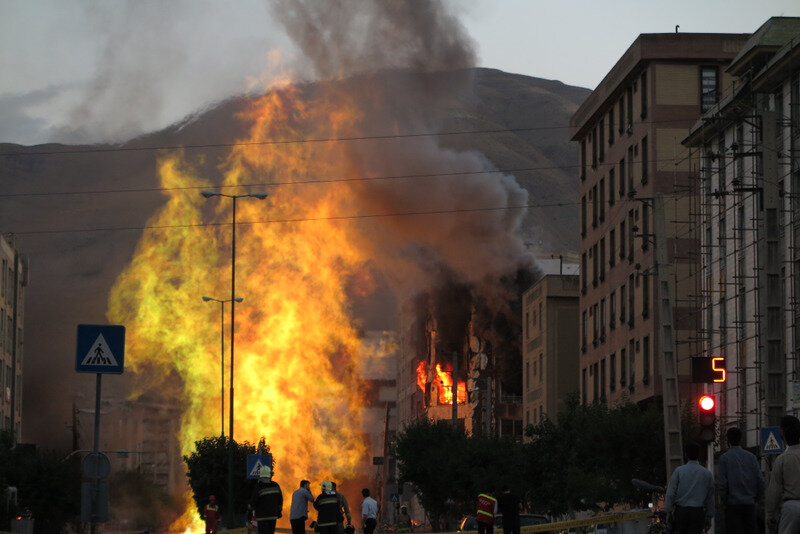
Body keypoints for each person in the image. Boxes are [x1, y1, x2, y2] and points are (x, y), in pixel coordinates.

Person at [717, 427, 764, 534]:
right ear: (741, 439)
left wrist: (724, 500)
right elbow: (760, 480)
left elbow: (722, 484)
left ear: (727, 440)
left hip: (732, 505)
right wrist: (756, 499)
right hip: (749, 505)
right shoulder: (751, 457)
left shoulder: (724, 458)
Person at [664, 442, 715, 534]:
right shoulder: (706, 474)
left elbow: (670, 493)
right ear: (698, 455)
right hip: (698, 513)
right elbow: (710, 497)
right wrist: (709, 516)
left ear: (686, 455)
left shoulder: (679, 471)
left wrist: (668, 511)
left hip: (681, 512)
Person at [767, 420, 800, 533]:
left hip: (791, 508)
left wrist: (770, 514)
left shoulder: (782, 459)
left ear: (783, 435)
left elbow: (774, 490)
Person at [249, 466, 283, 534]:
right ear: (270, 475)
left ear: (260, 476)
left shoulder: (259, 486)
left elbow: (253, 501)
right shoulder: (275, 485)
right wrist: (278, 511)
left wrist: (250, 507)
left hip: (262, 517)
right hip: (273, 516)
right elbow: (280, 500)